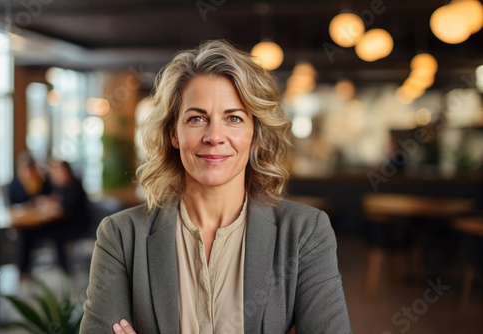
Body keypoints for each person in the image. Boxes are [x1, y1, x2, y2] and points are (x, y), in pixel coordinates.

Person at [80, 40, 352, 334]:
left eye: (233, 118)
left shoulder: (304, 232)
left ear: (255, 133)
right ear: (174, 133)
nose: (214, 136)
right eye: (196, 118)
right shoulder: (121, 236)